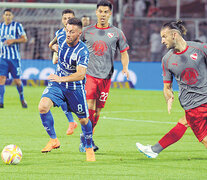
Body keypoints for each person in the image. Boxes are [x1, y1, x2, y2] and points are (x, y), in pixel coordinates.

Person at [136, 20, 207, 158]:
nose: (162, 41)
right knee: (183, 122)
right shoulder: (167, 60)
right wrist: (168, 96)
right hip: (193, 106)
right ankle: (154, 149)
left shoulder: (200, 49)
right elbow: (167, 86)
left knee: (204, 139)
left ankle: (154, 150)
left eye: (164, 36)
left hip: (194, 106)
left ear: (174, 35)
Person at [38, 18, 95, 162]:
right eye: (67, 30)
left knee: (83, 120)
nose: (68, 34)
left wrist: (61, 78)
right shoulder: (62, 36)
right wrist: (54, 48)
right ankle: (53, 140)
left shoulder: (83, 51)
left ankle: (88, 147)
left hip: (74, 88)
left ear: (79, 33)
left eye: (72, 32)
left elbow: (81, 74)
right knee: (43, 107)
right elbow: (52, 44)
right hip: (58, 84)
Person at [79, 0, 130, 152]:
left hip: (106, 77)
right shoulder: (86, 32)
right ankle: (87, 141)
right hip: (89, 75)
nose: (102, 14)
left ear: (110, 14)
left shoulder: (117, 33)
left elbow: (124, 52)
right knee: (89, 108)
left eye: (105, 12)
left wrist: (125, 67)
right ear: (96, 12)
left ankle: (87, 138)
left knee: (98, 111)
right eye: (100, 11)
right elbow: (75, 46)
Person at [49, 9, 78, 136]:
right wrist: (54, 48)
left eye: (70, 18)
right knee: (61, 98)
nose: (67, 21)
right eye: (65, 18)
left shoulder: (78, 34)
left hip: (74, 72)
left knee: (73, 101)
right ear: (62, 20)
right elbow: (51, 44)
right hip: (60, 72)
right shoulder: (60, 33)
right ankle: (71, 122)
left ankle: (79, 124)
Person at [0, 9, 28, 108]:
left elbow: (25, 39)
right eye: (6, 15)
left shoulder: (17, 26)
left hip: (14, 58)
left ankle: (22, 99)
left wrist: (13, 40)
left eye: (9, 15)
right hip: (3, 58)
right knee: (1, 79)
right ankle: (1, 102)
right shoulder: (0, 27)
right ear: (3, 16)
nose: (7, 16)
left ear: (12, 16)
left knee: (17, 80)